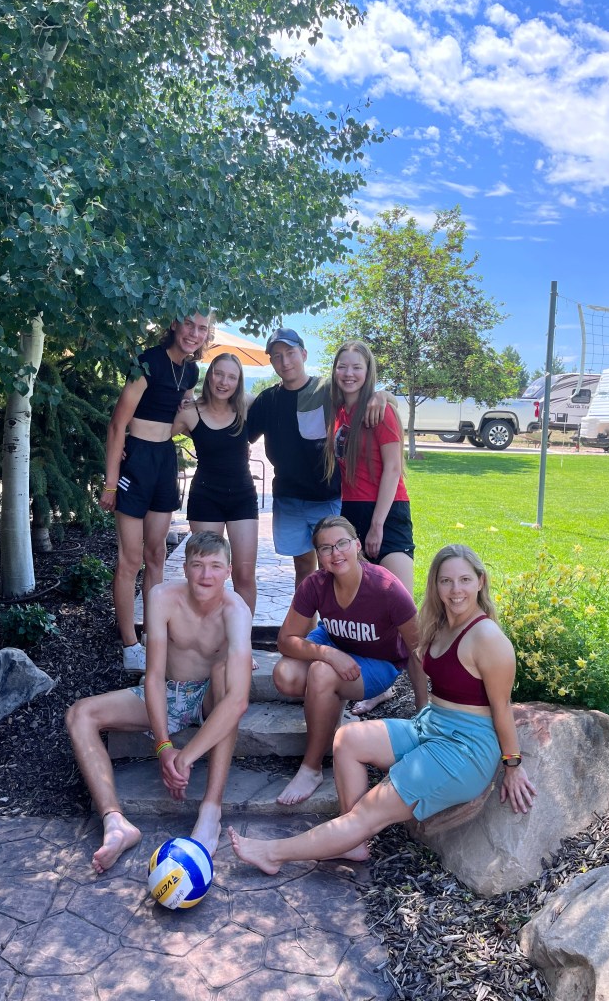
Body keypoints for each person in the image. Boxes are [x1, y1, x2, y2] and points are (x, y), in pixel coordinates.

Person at [228, 544, 538, 874]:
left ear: (480, 581)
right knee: (347, 739)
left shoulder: (487, 637)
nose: (455, 590)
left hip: (462, 750)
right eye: (446, 581)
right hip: (431, 727)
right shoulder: (441, 623)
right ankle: (353, 841)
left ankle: (275, 853)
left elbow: (502, 708)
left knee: (368, 812)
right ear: (435, 584)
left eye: (464, 580)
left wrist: (513, 765)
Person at [66, 531, 252, 874]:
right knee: (80, 714)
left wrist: (186, 756)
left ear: (228, 571)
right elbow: (152, 676)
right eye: (197, 565)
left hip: (210, 694)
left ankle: (210, 811)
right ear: (185, 568)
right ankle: (115, 822)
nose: (206, 575)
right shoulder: (162, 597)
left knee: (225, 674)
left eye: (215, 566)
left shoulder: (236, 610)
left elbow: (239, 700)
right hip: (169, 690)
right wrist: (164, 746)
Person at [271, 515, 429, 806]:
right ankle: (332, 703)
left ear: (357, 545)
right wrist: (329, 653)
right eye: (326, 548)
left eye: (342, 543)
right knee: (285, 674)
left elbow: (417, 650)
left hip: (379, 662)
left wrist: (423, 712)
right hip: (334, 645)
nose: (336, 553)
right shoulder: (315, 584)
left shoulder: (386, 588)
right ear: (318, 555)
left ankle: (311, 768)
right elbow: (285, 640)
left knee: (321, 674)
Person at [100, 311, 214, 672]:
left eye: (202, 329)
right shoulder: (147, 361)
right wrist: (110, 482)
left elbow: (185, 413)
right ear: (175, 325)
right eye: (189, 324)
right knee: (130, 559)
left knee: (156, 555)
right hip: (136, 460)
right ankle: (129, 643)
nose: (194, 333)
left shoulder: (191, 371)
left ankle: (152, 634)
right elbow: (117, 424)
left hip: (165, 460)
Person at [247, 329, 389, 591]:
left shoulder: (327, 390)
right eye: (277, 356)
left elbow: (362, 392)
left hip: (327, 498)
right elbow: (241, 432)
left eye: (290, 353)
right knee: (303, 568)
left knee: (335, 568)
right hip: (288, 500)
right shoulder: (268, 400)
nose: (285, 361)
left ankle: (336, 617)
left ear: (303, 354)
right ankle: (307, 617)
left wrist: (383, 395)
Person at [325, 339, 416, 715]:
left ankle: (428, 698)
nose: (348, 373)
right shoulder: (338, 411)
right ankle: (379, 685)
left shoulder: (380, 411)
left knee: (401, 605)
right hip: (350, 512)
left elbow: (393, 469)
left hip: (388, 511)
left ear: (368, 372)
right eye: (342, 366)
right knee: (361, 605)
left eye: (356, 367)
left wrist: (377, 526)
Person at [171, 353, 258, 616]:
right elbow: (155, 437)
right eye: (219, 374)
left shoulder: (247, 405)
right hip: (206, 498)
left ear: (239, 381)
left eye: (232, 377)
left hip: (243, 497)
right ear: (209, 376)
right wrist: (126, 448)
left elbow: (284, 403)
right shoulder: (190, 411)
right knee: (205, 574)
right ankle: (205, 634)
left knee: (244, 574)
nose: (224, 382)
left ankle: (242, 636)